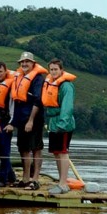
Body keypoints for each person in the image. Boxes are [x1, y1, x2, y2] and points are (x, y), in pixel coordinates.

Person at [6, 51, 47, 190]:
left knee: (36, 148)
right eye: (22, 62)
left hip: (34, 118)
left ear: (33, 63)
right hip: (21, 118)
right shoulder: (19, 76)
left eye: (27, 62)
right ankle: (25, 179)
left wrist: (31, 120)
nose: (24, 64)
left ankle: (35, 180)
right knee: (23, 148)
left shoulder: (38, 79)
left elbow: (38, 100)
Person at [42, 58, 77, 194]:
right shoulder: (51, 83)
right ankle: (61, 182)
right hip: (53, 123)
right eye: (51, 69)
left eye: (56, 69)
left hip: (64, 125)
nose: (53, 72)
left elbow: (67, 107)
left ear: (61, 70)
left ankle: (63, 184)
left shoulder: (66, 86)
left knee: (63, 153)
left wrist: (62, 124)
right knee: (56, 153)